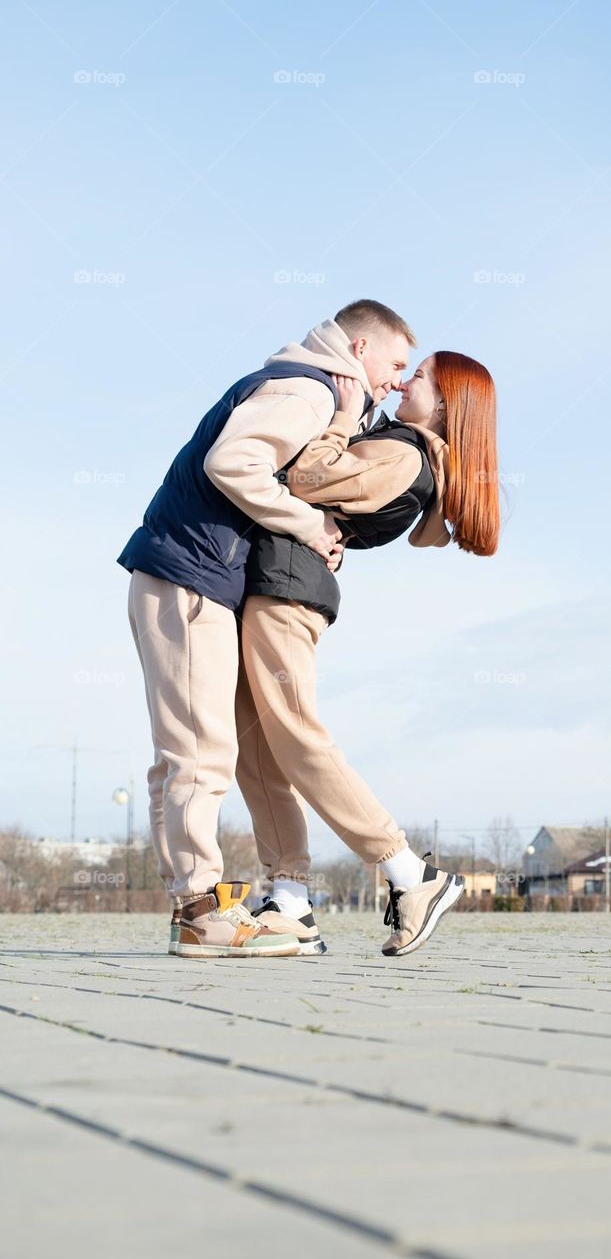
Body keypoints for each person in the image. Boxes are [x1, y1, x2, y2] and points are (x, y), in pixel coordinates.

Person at [118, 299, 416, 956]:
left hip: (199, 580)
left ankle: (203, 908)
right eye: (396, 363)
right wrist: (311, 524)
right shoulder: (305, 388)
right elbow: (234, 463)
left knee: (205, 751)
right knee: (197, 754)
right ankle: (198, 913)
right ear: (360, 350)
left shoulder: (315, 392)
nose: (399, 379)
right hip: (188, 578)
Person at [235, 350, 500, 957]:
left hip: (288, 593)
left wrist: (341, 412)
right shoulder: (398, 445)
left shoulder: (406, 453)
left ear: (447, 402)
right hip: (275, 583)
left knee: (298, 736)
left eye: (421, 376)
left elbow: (305, 476)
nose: (405, 382)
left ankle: (410, 872)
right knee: (258, 745)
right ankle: (290, 900)